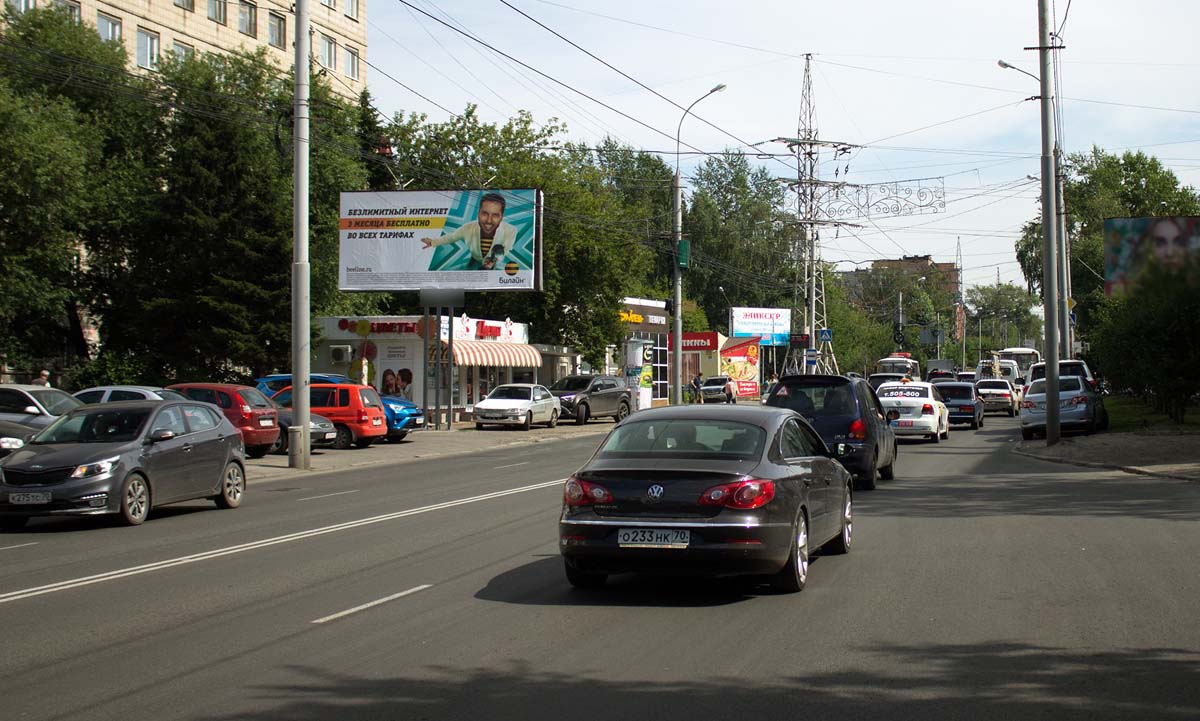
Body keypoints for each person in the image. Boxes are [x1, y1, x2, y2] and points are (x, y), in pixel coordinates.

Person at [421, 192, 518, 270]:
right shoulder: (468, 228)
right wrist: (433, 242)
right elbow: (452, 237)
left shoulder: (511, 230)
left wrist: (492, 261)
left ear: (501, 217)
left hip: (493, 262)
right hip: (475, 257)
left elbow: (506, 250)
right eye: (484, 213)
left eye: (495, 215)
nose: (489, 220)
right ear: (478, 213)